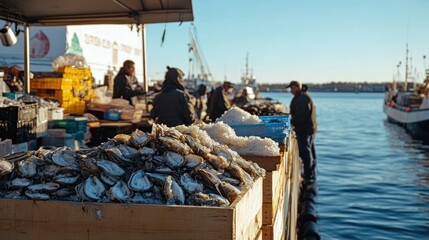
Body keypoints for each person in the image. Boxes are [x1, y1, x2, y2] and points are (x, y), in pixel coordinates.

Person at [286, 80, 317, 183]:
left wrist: (289, 122)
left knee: (305, 153)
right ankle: (310, 173)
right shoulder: (302, 96)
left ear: (297, 87)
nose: (290, 90)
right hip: (308, 129)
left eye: (292, 88)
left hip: (304, 130)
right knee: (309, 152)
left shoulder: (302, 98)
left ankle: (308, 176)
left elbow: (300, 117)